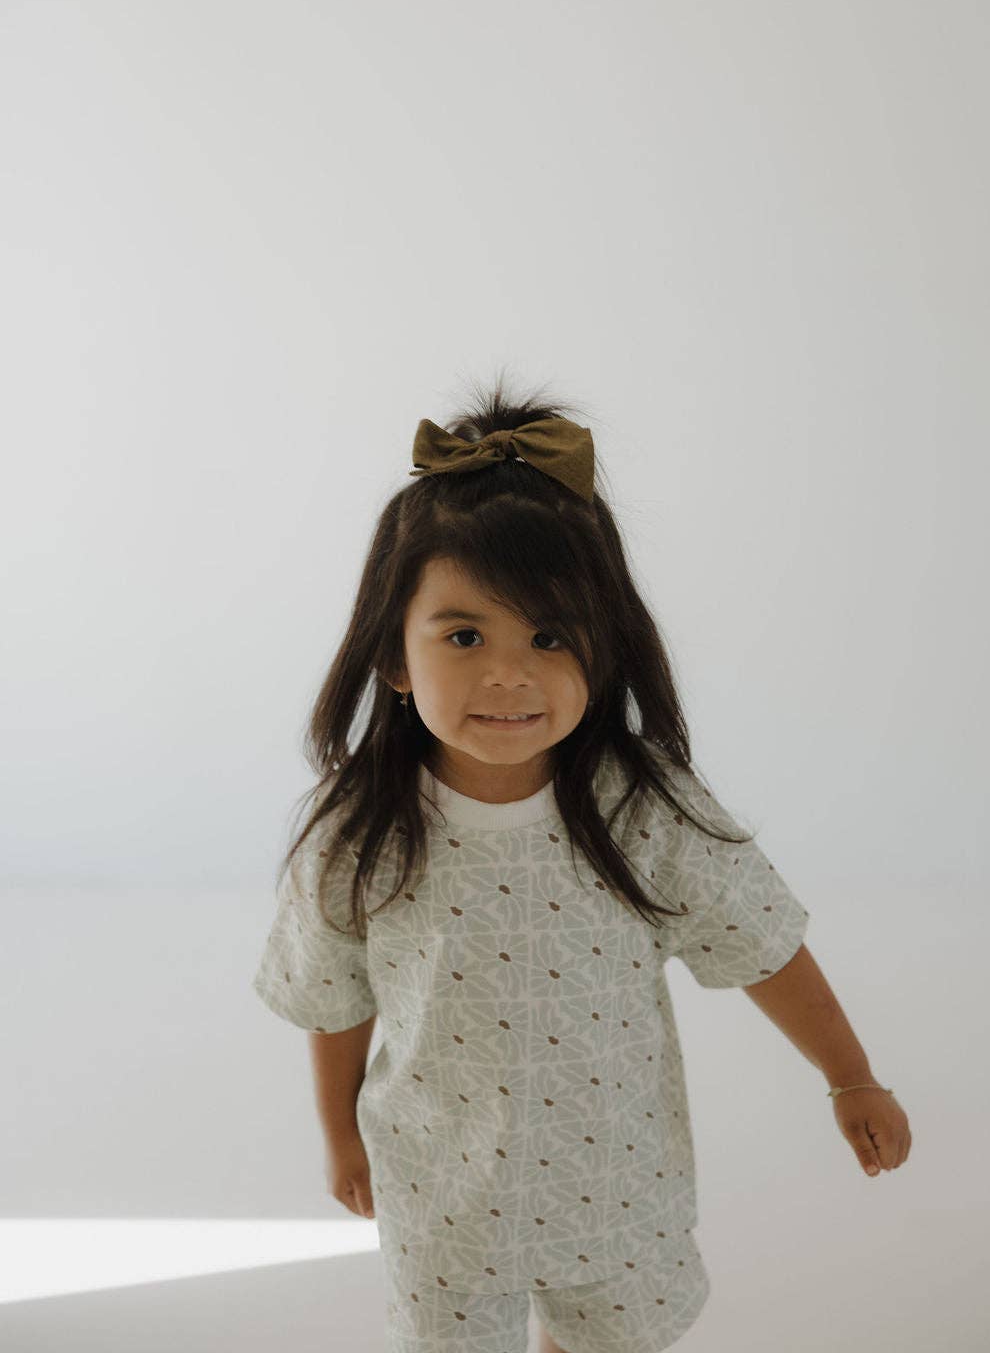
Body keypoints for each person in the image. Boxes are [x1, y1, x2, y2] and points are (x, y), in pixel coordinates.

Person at [252, 375, 911, 1353]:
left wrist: (850, 1077)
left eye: (550, 634)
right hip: (443, 1188)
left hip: (614, 1182)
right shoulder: (362, 834)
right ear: (392, 655)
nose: (508, 673)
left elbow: (762, 944)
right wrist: (341, 1134)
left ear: (605, 647)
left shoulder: (645, 811)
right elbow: (333, 997)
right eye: (463, 635)